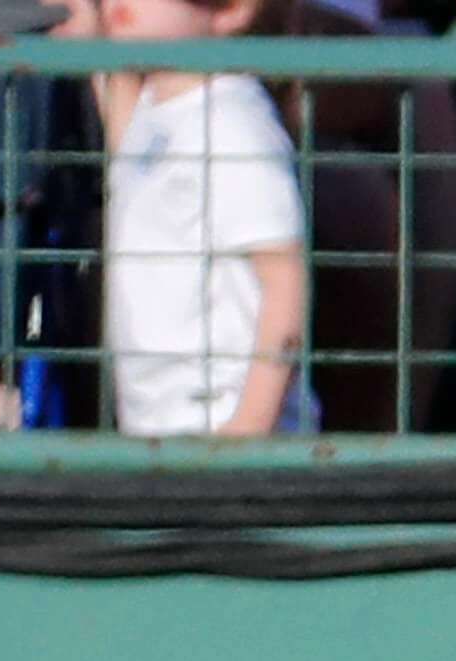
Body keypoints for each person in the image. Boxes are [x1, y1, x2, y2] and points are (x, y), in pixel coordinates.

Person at [93, 0, 306, 438]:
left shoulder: (233, 123)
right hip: (159, 429)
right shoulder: (153, 110)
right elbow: (115, 108)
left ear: (230, 11)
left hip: (223, 429)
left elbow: (286, 281)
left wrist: (247, 430)